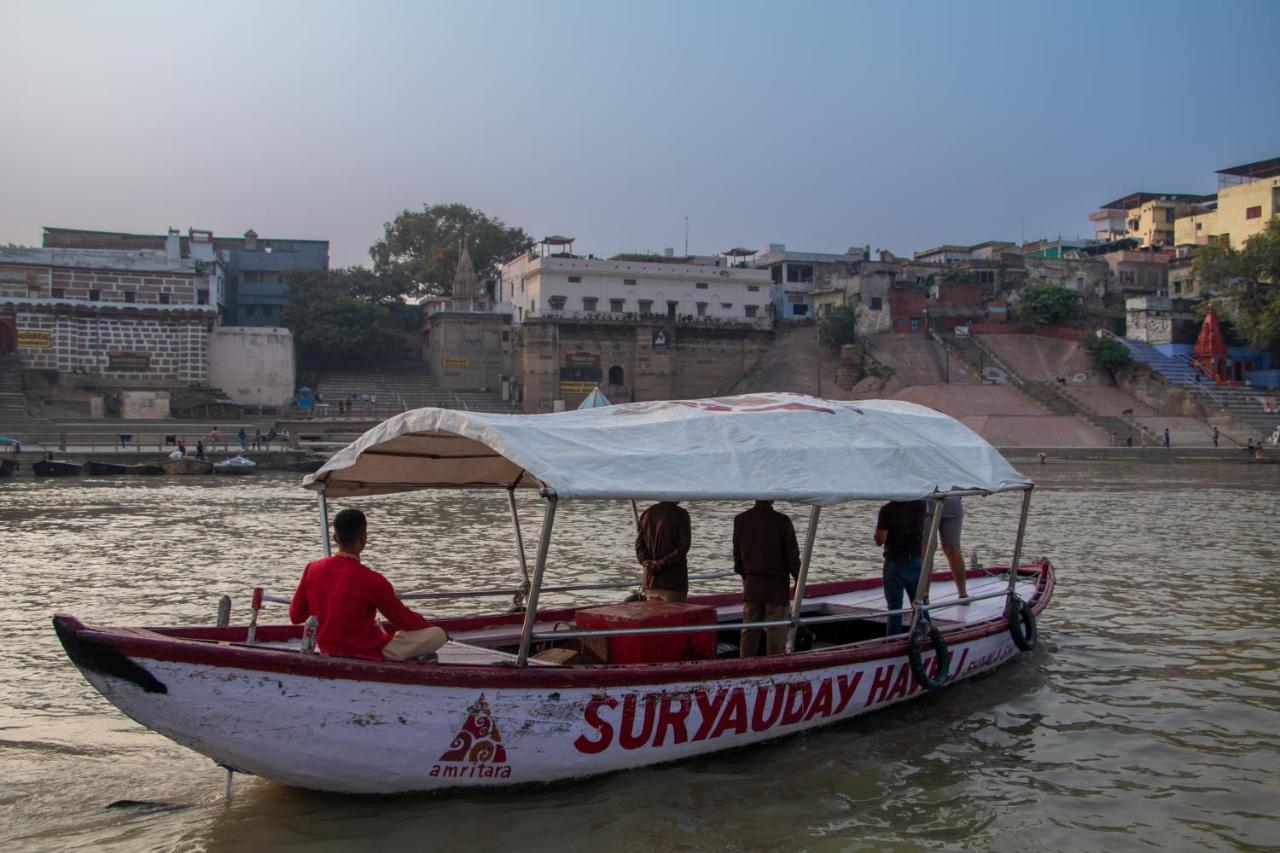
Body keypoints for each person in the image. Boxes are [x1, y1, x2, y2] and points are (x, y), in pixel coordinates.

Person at [290, 508, 447, 661]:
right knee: (437, 634)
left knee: (379, 625)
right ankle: (405, 655)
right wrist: (429, 627)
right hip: (366, 653)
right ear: (363, 539)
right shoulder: (373, 580)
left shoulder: (312, 568)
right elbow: (403, 619)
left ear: (335, 538)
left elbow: (296, 616)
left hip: (328, 648)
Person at [733, 500, 800, 657]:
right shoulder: (782, 521)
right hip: (776, 588)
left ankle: (744, 665)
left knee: (749, 630)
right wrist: (799, 579)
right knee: (776, 632)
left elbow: (737, 559)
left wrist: (746, 576)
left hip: (752, 586)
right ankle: (774, 668)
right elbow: (792, 557)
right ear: (773, 498)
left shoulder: (741, 519)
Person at [875, 498, 927, 636]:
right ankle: (927, 637)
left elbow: (880, 539)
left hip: (895, 562)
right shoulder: (921, 504)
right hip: (916, 560)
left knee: (895, 609)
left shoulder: (887, 510)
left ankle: (893, 642)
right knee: (920, 605)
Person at [635, 500, 691, 602]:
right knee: (674, 616)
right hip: (673, 582)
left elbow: (639, 547)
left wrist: (648, 563)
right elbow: (683, 547)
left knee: (653, 615)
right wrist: (661, 563)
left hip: (651, 582)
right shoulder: (681, 514)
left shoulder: (647, 514)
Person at [923, 496, 967, 600]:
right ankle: (963, 594)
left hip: (928, 501)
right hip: (952, 499)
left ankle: (924, 595)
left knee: (926, 550)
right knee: (953, 549)